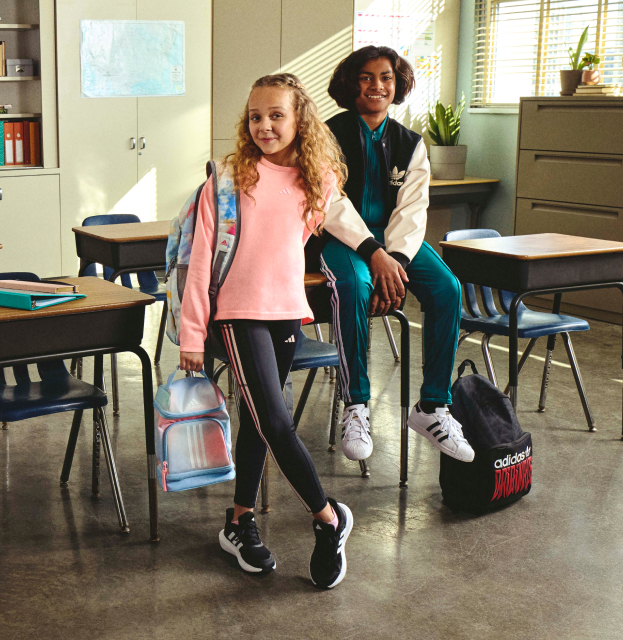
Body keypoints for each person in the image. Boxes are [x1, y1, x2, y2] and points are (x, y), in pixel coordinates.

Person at [179, 74, 352, 589]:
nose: (264, 125)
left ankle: (237, 521)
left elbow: (294, 245)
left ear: (300, 118)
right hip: (236, 313)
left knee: (258, 420)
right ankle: (328, 519)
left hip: (286, 313)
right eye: (256, 116)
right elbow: (200, 261)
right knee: (277, 421)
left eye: (276, 115)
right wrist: (192, 334)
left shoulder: (319, 180)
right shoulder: (228, 180)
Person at [321, 45, 474, 464]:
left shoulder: (411, 144)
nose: (377, 85)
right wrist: (374, 253)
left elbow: (412, 210)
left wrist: (398, 264)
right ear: (351, 84)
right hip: (344, 238)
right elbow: (330, 203)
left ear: (397, 84)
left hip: (395, 242)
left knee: (446, 287)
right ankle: (356, 405)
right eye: (367, 77)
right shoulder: (326, 136)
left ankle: (432, 407)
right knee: (353, 283)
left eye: (386, 77)